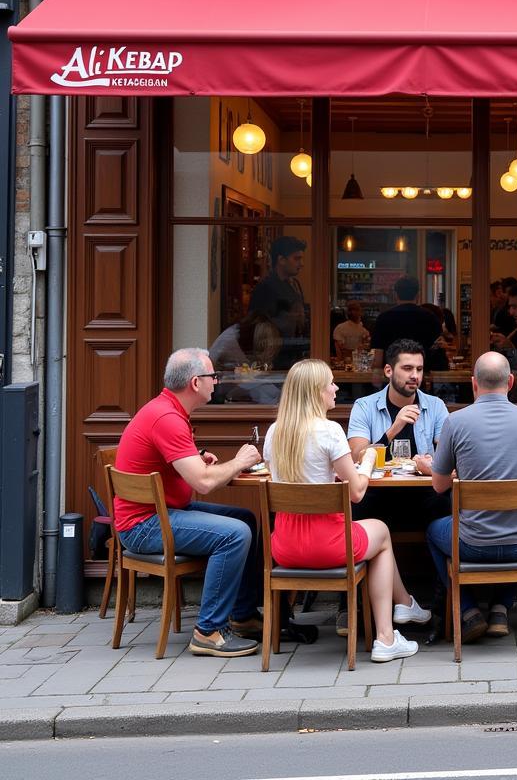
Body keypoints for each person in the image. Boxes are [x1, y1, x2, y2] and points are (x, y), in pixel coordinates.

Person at [263, 359, 431, 663]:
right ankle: (386, 635)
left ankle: (405, 607)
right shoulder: (328, 431)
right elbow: (356, 492)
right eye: (330, 383)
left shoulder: (275, 432)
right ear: (316, 391)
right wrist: (367, 463)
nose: (336, 387)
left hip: (285, 547)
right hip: (326, 545)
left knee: (375, 530)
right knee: (380, 530)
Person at [113, 348, 264, 658]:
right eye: (213, 377)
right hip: (145, 525)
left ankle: (243, 614)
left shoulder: (165, 410)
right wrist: (239, 460)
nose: (217, 382)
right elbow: (204, 483)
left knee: (245, 518)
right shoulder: (168, 418)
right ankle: (208, 631)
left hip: (160, 513)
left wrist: (197, 458)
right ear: (196, 382)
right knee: (235, 534)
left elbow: (182, 468)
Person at [426, 352, 517, 643]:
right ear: (511, 381)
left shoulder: (455, 422)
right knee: (515, 527)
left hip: (471, 546)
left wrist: (438, 467)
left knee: (433, 530)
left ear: (474, 383)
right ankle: (500, 609)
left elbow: (438, 486)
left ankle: (468, 610)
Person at [347, 339, 451, 531]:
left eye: (419, 369)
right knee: (355, 505)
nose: (415, 376)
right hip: (378, 492)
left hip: (422, 491)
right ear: (389, 371)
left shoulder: (435, 406)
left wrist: (433, 462)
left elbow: (449, 451)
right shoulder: (364, 406)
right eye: (407, 368)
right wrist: (394, 429)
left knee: (447, 503)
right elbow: (356, 455)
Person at [248, 235, 309, 369]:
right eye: (297, 258)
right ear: (281, 260)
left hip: (292, 354)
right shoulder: (266, 288)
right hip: (274, 360)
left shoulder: (294, 284)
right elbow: (258, 328)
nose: (301, 263)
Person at [369, 276, 442, 383]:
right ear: (418, 294)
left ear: (395, 294)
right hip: (420, 376)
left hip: (392, 376)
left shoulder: (384, 318)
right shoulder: (430, 317)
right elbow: (436, 348)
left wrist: (376, 376)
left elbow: (378, 353)